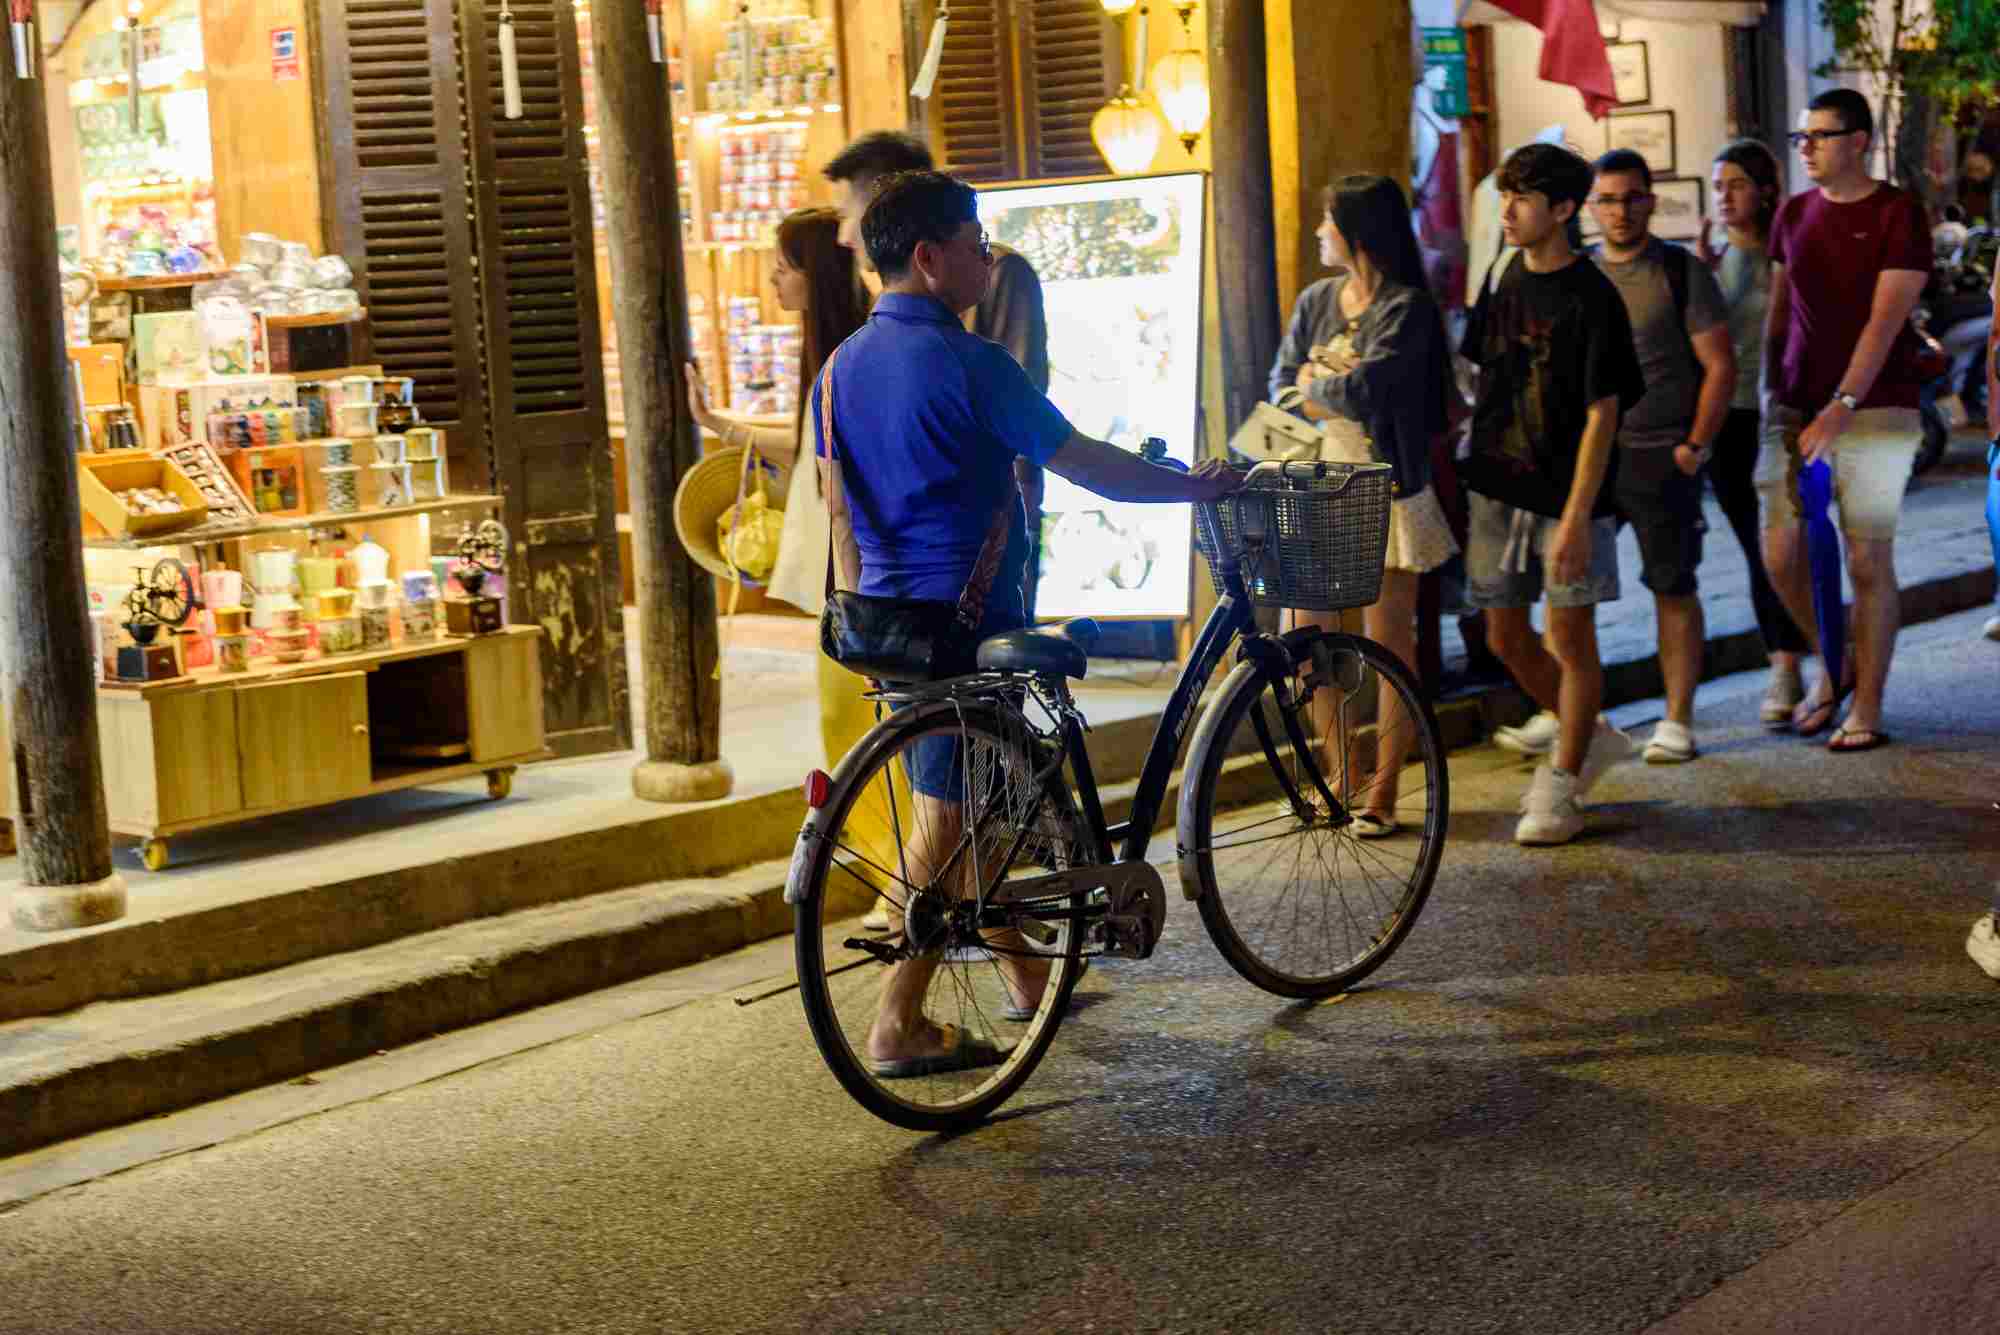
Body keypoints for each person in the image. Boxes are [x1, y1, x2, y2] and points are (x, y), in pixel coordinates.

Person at [817, 170, 1235, 1075]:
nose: (987, 257)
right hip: (969, 626)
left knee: (985, 807)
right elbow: (1090, 465)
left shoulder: (841, 366)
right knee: (950, 817)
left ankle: (1027, 984)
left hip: (886, 623)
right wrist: (1194, 487)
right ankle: (899, 1018)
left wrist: (865, 608)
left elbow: (837, 506)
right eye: (974, 242)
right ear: (929, 259)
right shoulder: (975, 365)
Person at [1457, 143, 1646, 846]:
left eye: (1523, 198)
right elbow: (1477, 368)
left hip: (1569, 495)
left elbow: (1605, 411)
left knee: (1570, 636)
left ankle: (1561, 786)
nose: (1508, 210)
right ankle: (1587, 733)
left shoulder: (1593, 296)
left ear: (1563, 210)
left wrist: (1574, 516)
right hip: (1498, 484)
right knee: (1505, 634)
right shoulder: (1506, 272)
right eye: (1505, 195)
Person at [1268, 173, 1459, 836]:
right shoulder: (1317, 299)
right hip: (1318, 485)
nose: (1319, 233)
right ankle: (1338, 771)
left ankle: (1385, 788)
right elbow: (1281, 385)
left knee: (1390, 640)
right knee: (1306, 633)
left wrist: (1320, 385)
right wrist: (1323, 387)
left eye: (1327, 222)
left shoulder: (1407, 306)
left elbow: (1373, 389)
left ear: (1356, 233)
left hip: (1387, 485)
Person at [1761, 88, 1932, 752]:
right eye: (1801, 137)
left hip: (1878, 404)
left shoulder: (1898, 213)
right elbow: (1779, 312)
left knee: (1866, 556)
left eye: (1820, 136)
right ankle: (1835, 665)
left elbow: (1885, 323)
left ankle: (1867, 705)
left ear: (1859, 140)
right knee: (1781, 552)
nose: (1806, 148)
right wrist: (1774, 390)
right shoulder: (1794, 213)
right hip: (1797, 405)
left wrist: (1842, 407)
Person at [823, 131, 1053, 621]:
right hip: (906, 564)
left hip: (982, 548)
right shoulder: (894, 295)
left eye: (850, 209)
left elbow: (1024, 418)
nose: (844, 233)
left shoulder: (996, 275)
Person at [1578, 148, 1736, 764]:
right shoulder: (1579, 274)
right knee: (1574, 591)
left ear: (1650, 200)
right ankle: (1577, 717)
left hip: (1660, 454)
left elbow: (1720, 364)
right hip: (1591, 459)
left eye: (1631, 198)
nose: (1620, 211)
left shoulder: (1680, 271)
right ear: (1592, 206)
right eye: (1608, 199)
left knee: (1672, 585)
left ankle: (1677, 718)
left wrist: (1695, 447)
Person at [1693, 139, 1816, 727]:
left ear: (1765, 190)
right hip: (1727, 418)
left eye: (1735, 184)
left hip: (1782, 414)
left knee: (1786, 547)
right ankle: (1785, 662)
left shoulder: (1787, 251)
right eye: (1718, 186)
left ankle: (1811, 654)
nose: (1725, 196)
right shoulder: (1708, 260)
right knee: (1754, 548)